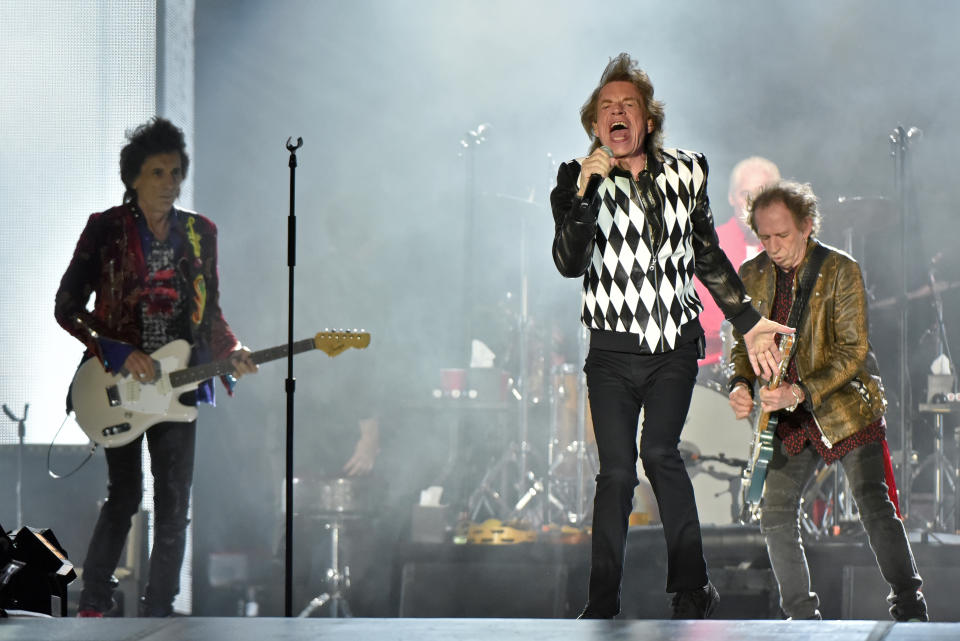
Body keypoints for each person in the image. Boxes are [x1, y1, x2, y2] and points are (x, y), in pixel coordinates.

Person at [550, 53, 791, 620]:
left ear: (647, 120)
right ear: (594, 125)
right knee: (614, 473)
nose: (617, 112)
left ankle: (690, 588)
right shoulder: (573, 179)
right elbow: (567, 262)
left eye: (627, 104)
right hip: (610, 350)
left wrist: (749, 320)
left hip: (673, 346)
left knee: (659, 453)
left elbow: (707, 256)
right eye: (606, 107)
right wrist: (585, 196)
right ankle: (601, 600)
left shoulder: (687, 171)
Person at [55, 117, 258, 617]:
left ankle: (158, 613)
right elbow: (67, 306)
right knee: (124, 496)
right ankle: (95, 603)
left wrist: (232, 348)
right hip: (117, 381)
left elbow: (209, 314)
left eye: (175, 173)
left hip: (179, 386)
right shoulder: (106, 229)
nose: (169, 183)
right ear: (134, 178)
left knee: (174, 509)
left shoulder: (199, 232)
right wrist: (117, 351)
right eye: (157, 173)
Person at [727, 180, 928, 621]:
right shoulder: (751, 275)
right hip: (787, 416)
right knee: (776, 511)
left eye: (783, 235)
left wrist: (799, 390)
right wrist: (739, 385)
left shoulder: (841, 270)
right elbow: (742, 348)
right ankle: (801, 619)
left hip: (844, 407)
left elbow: (853, 351)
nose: (774, 246)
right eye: (765, 237)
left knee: (873, 505)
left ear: (807, 226)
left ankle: (910, 605)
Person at [696, 157, 781, 366]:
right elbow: (702, 319)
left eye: (764, 193)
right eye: (746, 195)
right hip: (714, 372)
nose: (754, 203)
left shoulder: (789, 249)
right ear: (732, 197)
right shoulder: (709, 246)